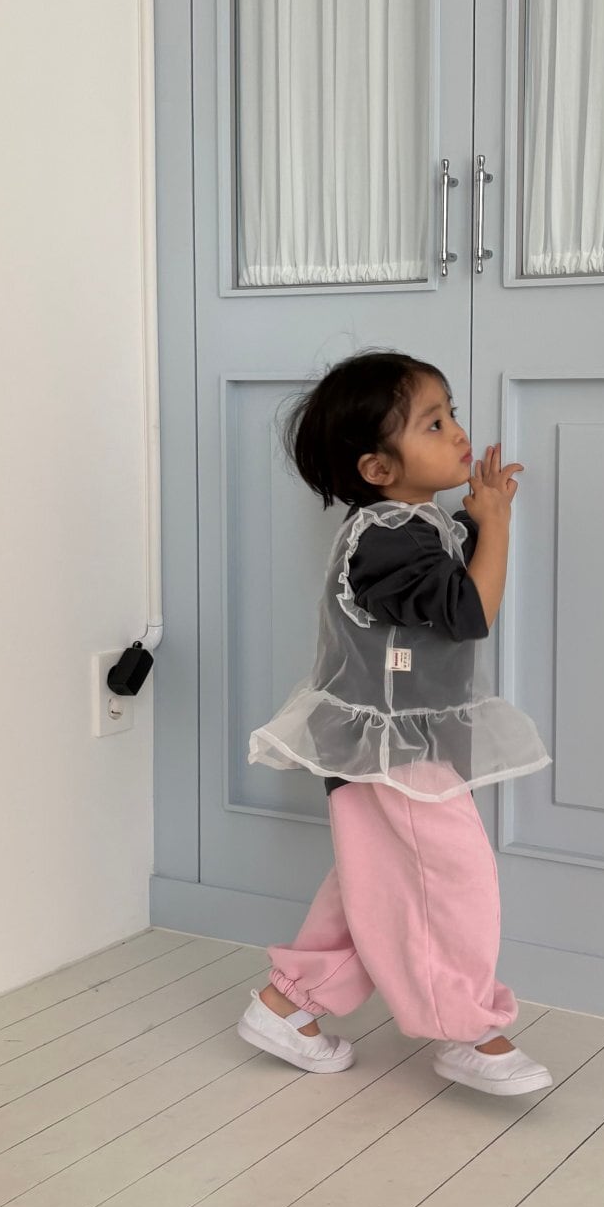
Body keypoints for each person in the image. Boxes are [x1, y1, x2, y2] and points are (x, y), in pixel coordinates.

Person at [237, 348, 554, 1095]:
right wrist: (498, 524)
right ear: (379, 467)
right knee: (449, 878)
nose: (458, 432)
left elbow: (447, 580)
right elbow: (468, 610)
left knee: (377, 883)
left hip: (398, 745)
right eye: (433, 423)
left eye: (452, 414)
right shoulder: (385, 538)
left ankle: (289, 1004)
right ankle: (466, 1028)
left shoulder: (412, 526)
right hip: (392, 751)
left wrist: (477, 521)